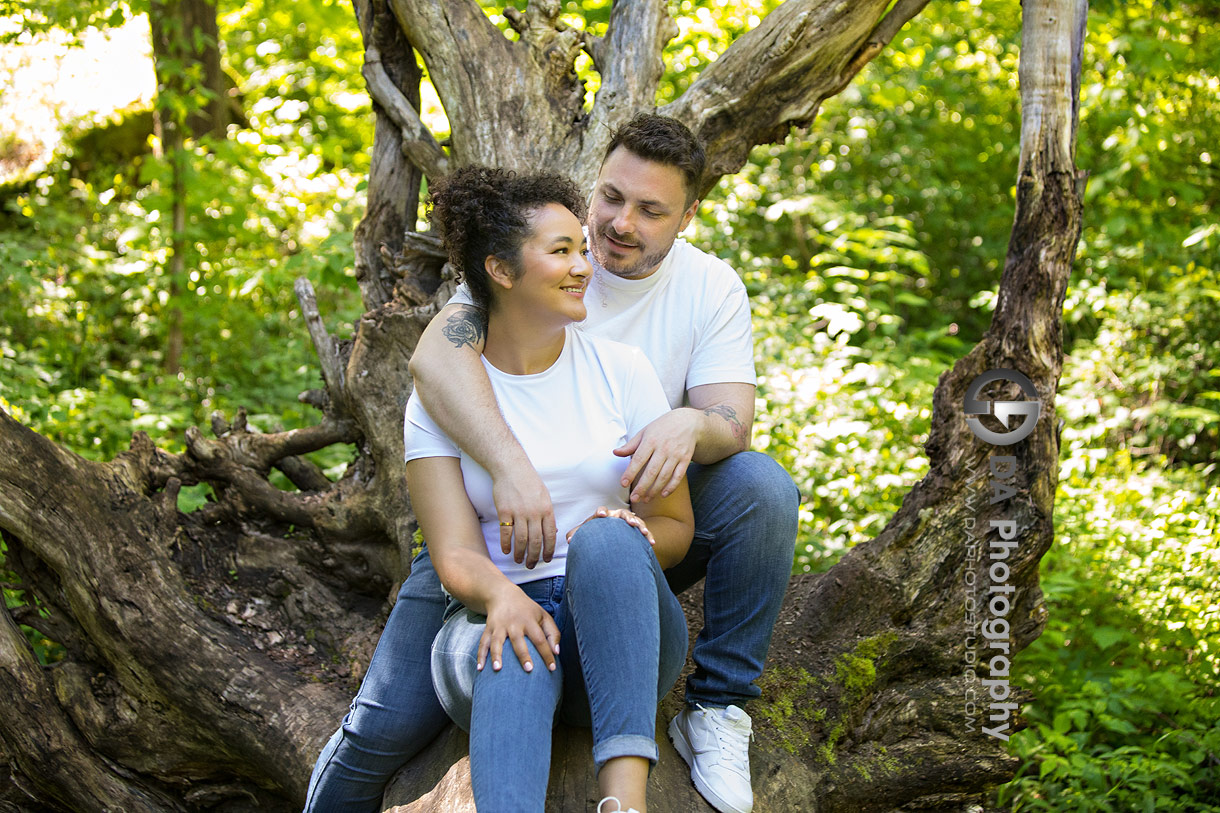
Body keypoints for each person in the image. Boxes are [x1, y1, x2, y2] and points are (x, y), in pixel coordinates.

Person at [306, 114, 799, 813]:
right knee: (379, 724)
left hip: (623, 526)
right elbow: (434, 361)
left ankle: (717, 706)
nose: (617, 226)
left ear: (689, 215)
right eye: (611, 198)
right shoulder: (527, 261)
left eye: (650, 210)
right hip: (499, 539)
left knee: (759, 488)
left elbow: (733, 422)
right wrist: (510, 471)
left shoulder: (705, 292)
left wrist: (684, 422)